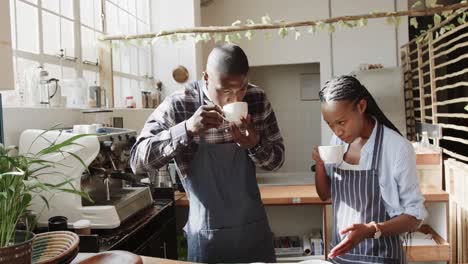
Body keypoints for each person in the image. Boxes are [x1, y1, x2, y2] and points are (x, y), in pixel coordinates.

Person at [130, 44, 285, 263]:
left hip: (252, 230)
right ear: (206, 77)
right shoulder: (179, 104)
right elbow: (137, 161)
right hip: (206, 236)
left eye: (240, 89)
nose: (234, 99)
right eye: (225, 91)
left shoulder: (257, 99)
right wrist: (186, 129)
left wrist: (255, 144)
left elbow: (277, 161)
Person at [312, 75, 427, 263]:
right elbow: (325, 195)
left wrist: (371, 230)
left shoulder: (396, 148)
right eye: (330, 124)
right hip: (342, 257)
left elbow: (415, 216)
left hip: (381, 258)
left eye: (341, 122)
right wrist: (320, 164)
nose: (337, 132)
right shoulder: (338, 142)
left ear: (361, 107)